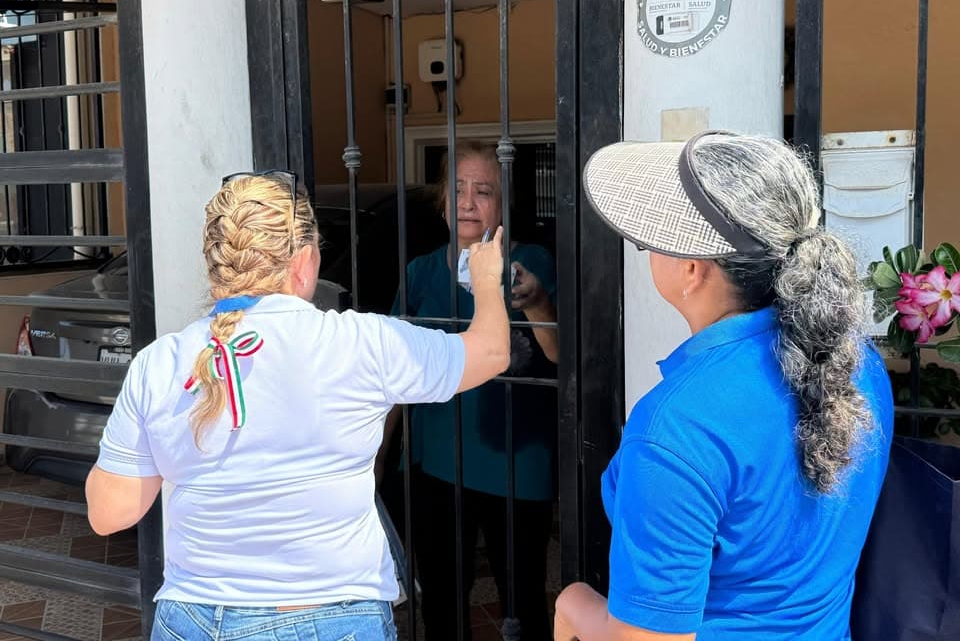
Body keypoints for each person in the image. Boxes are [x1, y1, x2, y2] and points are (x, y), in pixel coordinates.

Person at [84, 170, 511, 641]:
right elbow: (491, 351)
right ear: (305, 262)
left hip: (195, 620)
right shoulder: (362, 343)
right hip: (332, 616)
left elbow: (109, 514)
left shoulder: (158, 364)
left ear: (216, 268)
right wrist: (487, 280)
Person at [554, 131, 894, 640]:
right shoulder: (857, 362)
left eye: (651, 240)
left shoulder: (677, 425)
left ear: (691, 270)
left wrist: (572, 604)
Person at [382, 141, 559, 641]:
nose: (467, 202)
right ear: (440, 200)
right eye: (457, 190)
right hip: (437, 463)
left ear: (503, 205)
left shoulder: (531, 263)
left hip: (516, 466)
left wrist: (538, 301)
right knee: (441, 600)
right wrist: (381, 450)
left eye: (483, 192)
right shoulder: (421, 272)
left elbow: (560, 355)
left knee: (521, 602)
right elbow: (395, 369)